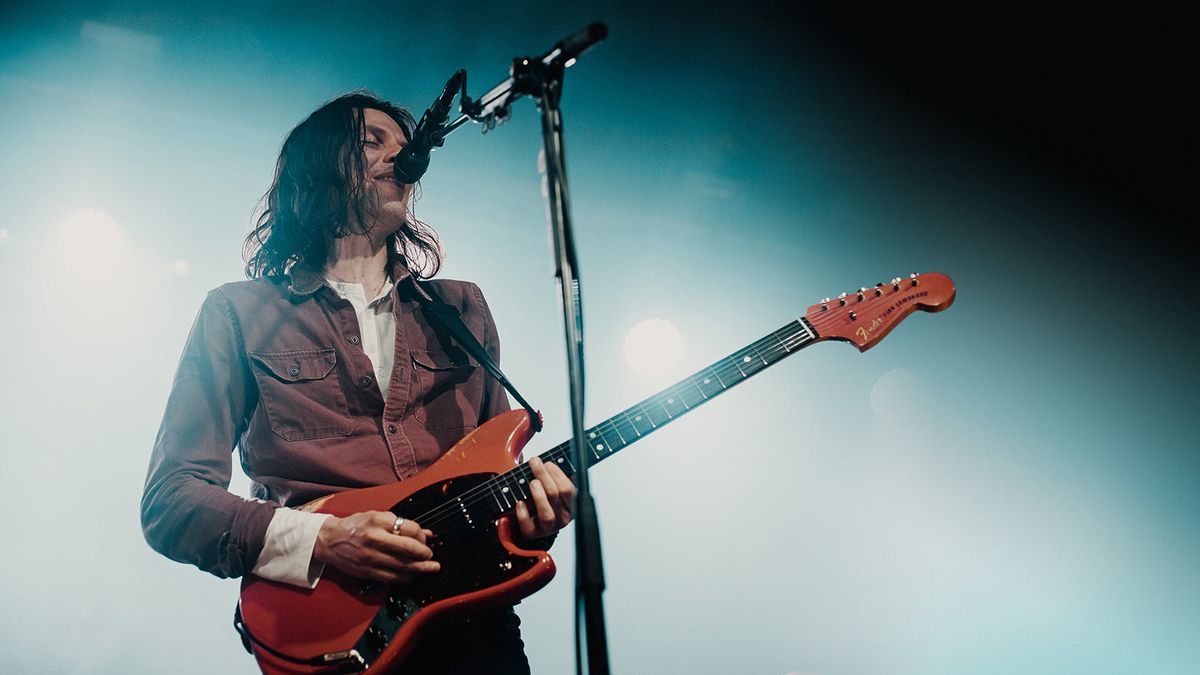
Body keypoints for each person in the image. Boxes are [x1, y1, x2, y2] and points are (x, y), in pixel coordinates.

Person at [141, 91, 575, 673]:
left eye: (404, 145)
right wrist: (324, 540)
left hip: (475, 633)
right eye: (373, 142)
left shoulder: (461, 309)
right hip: (331, 629)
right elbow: (172, 503)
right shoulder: (238, 312)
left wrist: (535, 516)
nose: (402, 157)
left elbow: (491, 486)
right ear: (318, 167)